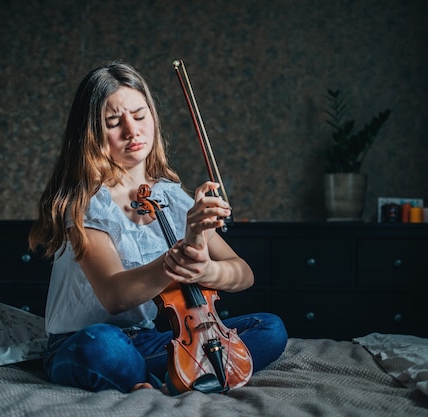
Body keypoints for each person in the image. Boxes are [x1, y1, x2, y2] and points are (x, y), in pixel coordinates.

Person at [28, 60, 287, 394]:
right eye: (113, 122)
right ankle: (172, 381)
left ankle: (165, 377)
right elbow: (116, 296)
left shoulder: (172, 197)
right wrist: (175, 261)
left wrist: (205, 269)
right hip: (83, 341)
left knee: (269, 327)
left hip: (148, 341)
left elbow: (243, 273)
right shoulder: (87, 203)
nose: (132, 131)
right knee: (101, 344)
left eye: (139, 116)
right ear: (91, 132)